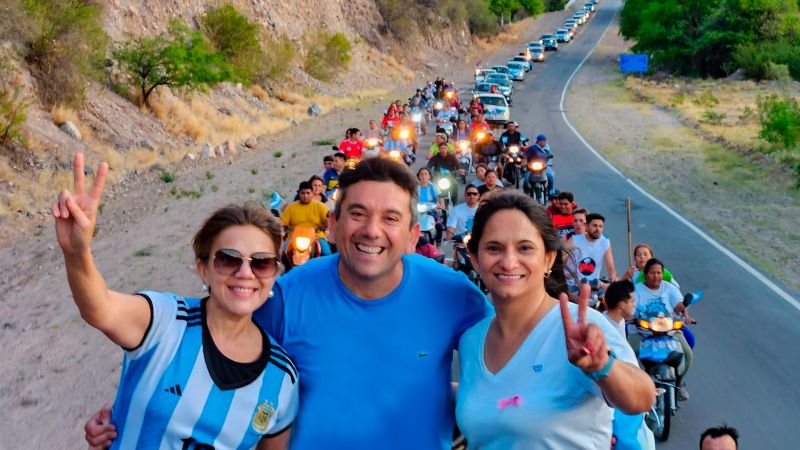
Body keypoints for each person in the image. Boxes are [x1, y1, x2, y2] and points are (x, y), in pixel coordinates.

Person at [86, 157, 493, 450]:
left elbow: (512, 366)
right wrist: (130, 410)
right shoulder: (286, 295)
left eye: (390, 218)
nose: (372, 230)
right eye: (357, 213)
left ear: (411, 234)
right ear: (331, 225)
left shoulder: (455, 296)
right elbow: (214, 353)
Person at [58, 154, 298, 449]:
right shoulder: (164, 321)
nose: (245, 273)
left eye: (261, 263)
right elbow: (100, 308)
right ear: (203, 268)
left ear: (274, 273)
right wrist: (76, 253)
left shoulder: (282, 378)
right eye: (228, 259)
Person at [456, 192, 655, 449]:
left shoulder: (578, 328)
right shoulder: (472, 340)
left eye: (524, 248)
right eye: (493, 248)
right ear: (475, 258)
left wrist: (603, 366)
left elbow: (642, 397)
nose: (508, 262)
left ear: (548, 258)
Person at [603, 280, 656, 450]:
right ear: (621, 304)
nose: (634, 304)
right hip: (615, 395)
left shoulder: (619, 322)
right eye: (632, 301)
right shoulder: (603, 327)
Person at [631, 258, 694, 399]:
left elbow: (678, 306)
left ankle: (678, 385)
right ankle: (631, 390)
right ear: (646, 274)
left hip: (669, 332)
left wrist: (683, 306)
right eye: (652, 273)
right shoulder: (637, 290)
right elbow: (631, 310)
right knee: (627, 356)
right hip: (643, 333)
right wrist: (634, 318)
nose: (656, 276)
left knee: (687, 354)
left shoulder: (670, 288)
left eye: (659, 273)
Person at [281, 181, 332, 255]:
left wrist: (327, 223)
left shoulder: (321, 206)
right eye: (303, 193)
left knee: (326, 253)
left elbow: (329, 219)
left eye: (308, 193)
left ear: (312, 193)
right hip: (294, 237)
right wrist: (277, 223)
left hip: (317, 236)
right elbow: (282, 222)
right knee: (281, 254)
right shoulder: (290, 207)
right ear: (299, 193)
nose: (305, 196)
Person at [572, 212, 617, 284]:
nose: (597, 229)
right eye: (594, 226)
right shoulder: (574, 240)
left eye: (600, 226)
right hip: (576, 283)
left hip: (595, 284)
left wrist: (612, 276)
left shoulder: (605, 242)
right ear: (586, 226)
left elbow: (611, 267)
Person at [416, 167, 445, 244]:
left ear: (429, 176)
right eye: (421, 174)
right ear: (418, 176)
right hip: (417, 212)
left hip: (431, 211)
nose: (423, 176)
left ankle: (438, 243)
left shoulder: (433, 187)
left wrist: (441, 205)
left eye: (426, 174)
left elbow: (440, 197)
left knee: (438, 226)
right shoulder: (415, 187)